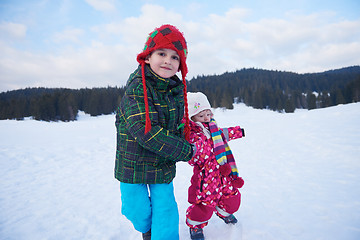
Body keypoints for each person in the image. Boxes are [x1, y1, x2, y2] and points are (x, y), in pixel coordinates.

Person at [114, 24, 195, 240]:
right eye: (161, 53)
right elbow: (145, 131)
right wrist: (187, 151)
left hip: (162, 164)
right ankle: (147, 229)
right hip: (133, 163)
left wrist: (197, 136)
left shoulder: (177, 92)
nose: (168, 60)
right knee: (135, 209)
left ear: (180, 65)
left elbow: (179, 126)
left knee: (165, 210)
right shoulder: (137, 88)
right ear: (148, 57)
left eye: (175, 57)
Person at [184, 92, 245, 240]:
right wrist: (196, 148)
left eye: (208, 113)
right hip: (206, 179)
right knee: (204, 205)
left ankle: (224, 211)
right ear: (192, 117)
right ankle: (196, 226)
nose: (206, 118)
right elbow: (194, 152)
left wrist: (238, 131)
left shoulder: (213, 128)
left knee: (232, 198)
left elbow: (224, 134)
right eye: (201, 115)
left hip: (224, 174)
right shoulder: (192, 135)